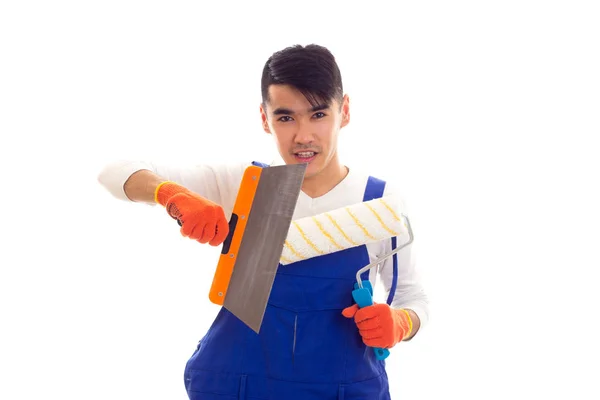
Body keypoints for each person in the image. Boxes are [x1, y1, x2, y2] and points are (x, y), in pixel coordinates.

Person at [98, 43, 429, 400]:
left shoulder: (379, 203)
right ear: (264, 117)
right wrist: (171, 195)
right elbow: (113, 173)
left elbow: (412, 297)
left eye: (318, 115)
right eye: (285, 117)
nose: (302, 136)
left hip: (341, 391)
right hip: (238, 387)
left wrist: (401, 323)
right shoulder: (247, 186)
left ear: (344, 111)